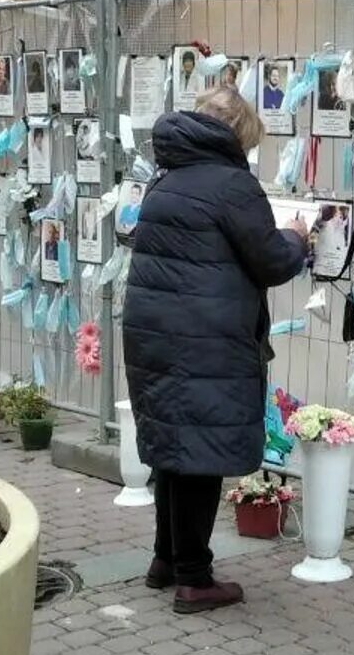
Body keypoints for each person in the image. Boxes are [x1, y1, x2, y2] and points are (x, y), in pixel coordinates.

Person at [123, 86, 308, 613]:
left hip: (156, 334)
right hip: (203, 339)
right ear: (236, 135)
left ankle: (166, 559)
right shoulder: (232, 185)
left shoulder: (167, 177)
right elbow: (271, 260)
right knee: (198, 454)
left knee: (174, 450)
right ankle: (195, 578)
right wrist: (297, 235)